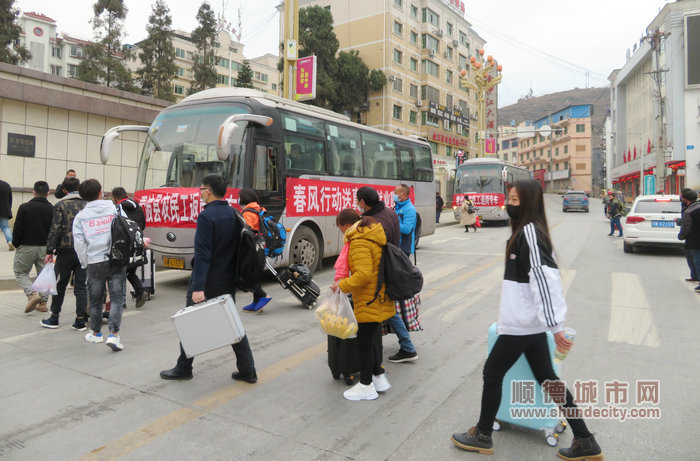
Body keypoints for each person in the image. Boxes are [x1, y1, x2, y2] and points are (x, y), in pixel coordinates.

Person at [450, 180, 603, 460]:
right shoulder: (525, 231)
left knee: (492, 373)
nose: (509, 204)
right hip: (528, 323)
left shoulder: (530, 233)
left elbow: (545, 281)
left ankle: (483, 434)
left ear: (529, 203)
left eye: (515, 200)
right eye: (509, 199)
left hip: (523, 324)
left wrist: (556, 326)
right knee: (548, 379)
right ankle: (585, 439)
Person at [160, 174, 257, 383]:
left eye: (201, 189)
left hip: (208, 281)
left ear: (209, 191)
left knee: (190, 324)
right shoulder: (233, 213)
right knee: (232, 324)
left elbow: (203, 255)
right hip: (228, 279)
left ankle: (184, 368)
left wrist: (198, 287)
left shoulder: (206, 217)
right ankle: (248, 369)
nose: (200, 193)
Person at [331, 211, 395, 401]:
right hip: (378, 295)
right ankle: (378, 377)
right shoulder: (371, 234)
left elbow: (363, 274)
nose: (342, 233)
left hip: (369, 298)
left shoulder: (359, 241)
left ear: (345, 225)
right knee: (370, 339)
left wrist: (341, 285)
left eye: (340, 228)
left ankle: (366, 385)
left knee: (364, 342)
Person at [357, 186, 418, 363]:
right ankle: (402, 347)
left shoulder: (375, 220)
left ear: (363, 202)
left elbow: (375, 249)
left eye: (357, 200)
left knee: (387, 310)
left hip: (382, 270)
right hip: (390, 266)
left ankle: (406, 347)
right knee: (386, 310)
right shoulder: (389, 212)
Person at [73, 179, 127, 351]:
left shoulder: (80, 217)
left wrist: (85, 263)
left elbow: (79, 244)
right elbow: (125, 228)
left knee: (96, 300)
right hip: (115, 257)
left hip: (94, 261)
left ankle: (96, 333)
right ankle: (114, 335)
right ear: (100, 192)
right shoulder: (113, 208)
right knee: (117, 297)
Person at [41, 176, 88, 330]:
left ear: (64, 190)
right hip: (83, 252)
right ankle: (80, 319)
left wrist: (49, 250)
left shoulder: (60, 205)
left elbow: (55, 229)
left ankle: (54, 317)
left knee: (60, 285)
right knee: (81, 286)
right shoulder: (87, 204)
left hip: (65, 251)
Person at [12, 181, 54, 313]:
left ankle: (32, 294)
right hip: (45, 247)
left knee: (20, 272)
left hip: (26, 245)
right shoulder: (52, 209)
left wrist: (16, 243)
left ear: (33, 192)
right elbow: (54, 230)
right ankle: (42, 304)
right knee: (44, 275)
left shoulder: (25, 207)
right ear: (48, 193)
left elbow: (18, 228)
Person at [112, 187, 148, 309]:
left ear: (115, 198)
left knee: (121, 271)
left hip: (126, 244)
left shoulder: (119, 207)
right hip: (138, 241)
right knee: (130, 271)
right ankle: (140, 291)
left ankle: (121, 301)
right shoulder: (136, 205)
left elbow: (119, 225)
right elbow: (143, 223)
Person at [238, 188, 272, 313]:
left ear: (244, 198)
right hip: (261, 244)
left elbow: (247, 231)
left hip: (252, 246)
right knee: (255, 273)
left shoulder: (248, 212)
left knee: (247, 273)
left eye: (239, 196)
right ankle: (256, 302)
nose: (238, 199)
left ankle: (263, 296)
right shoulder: (260, 208)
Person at [678, 188, 700, 291]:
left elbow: (686, 228)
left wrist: (681, 236)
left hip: (695, 241)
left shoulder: (688, 212)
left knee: (697, 261)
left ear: (686, 200)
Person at [393, 184, 417, 256]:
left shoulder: (409, 209)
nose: (394, 195)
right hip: (397, 246)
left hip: (404, 247)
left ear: (402, 194)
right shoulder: (398, 206)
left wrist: (392, 223)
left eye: (395, 193)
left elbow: (407, 229)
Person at [0, 178, 13, 251]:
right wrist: (8, 208)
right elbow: (10, 198)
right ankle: (10, 241)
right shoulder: (6, 185)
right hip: (4, 210)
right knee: (5, 227)